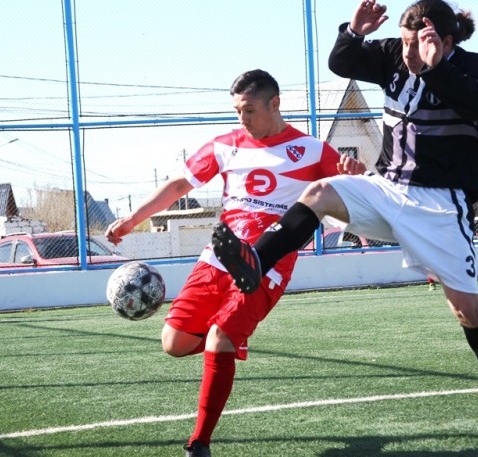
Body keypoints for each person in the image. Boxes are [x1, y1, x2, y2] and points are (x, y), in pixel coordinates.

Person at [211, 0, 478, 447]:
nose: (407, 53)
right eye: (402, 42)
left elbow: (476, 104)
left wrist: (434, 66)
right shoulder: (391, 57)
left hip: (441, 206)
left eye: (418, 43)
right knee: (320, 193)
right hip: (387, 187)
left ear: (445, 40)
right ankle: (255, 261)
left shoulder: (470, 68)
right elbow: (341, 61)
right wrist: (354, 33)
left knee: (466, 310)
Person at [105, 69, 364, 457]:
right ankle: (227, 345)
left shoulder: (311, 150)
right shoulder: (225, 145)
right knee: (174, 343)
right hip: (218, 258)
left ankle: (199, 442)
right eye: (236, 111)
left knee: (218, 338)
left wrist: (354, 174)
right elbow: (179, 186)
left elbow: (352, 192)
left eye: (248, 110)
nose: (241, 119)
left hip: (266, 264)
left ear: (274, 104)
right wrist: (131, 219)